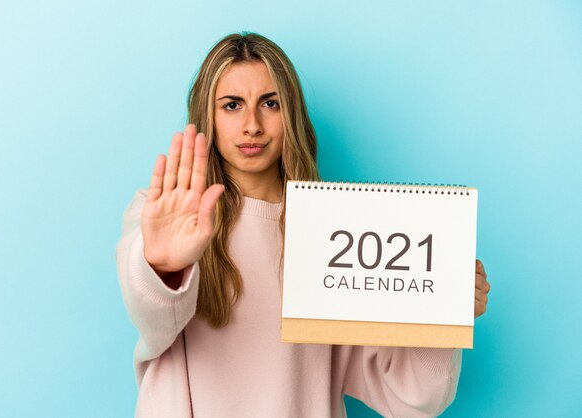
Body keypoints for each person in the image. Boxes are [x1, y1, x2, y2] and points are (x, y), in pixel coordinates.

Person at [115, 32, 490, 418]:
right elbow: (155, 318)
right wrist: (162, 267)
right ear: (207, 115)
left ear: (290, 112)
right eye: (231, 105)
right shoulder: (163, 215)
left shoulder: (336, 231)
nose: (252, 125)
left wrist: (441, 313)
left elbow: (413, 396)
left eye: (270, 103)